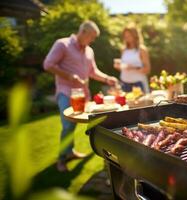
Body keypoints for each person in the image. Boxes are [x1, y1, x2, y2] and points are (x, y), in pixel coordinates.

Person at [43, 20, 118, 172]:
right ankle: (62, 159)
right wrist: (69, 76)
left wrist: (106, 78)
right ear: (83, 32)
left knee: (79, 125)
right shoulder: (62, 44)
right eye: (92, 37)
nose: (93, 40)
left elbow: (93, 72)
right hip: (66, 92)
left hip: (84, 95)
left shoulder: (89, 51)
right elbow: (48, 64)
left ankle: (70, 152)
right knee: (68, 125)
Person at [113, 24, 151, 93]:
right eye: (125, 36)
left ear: (135, 36)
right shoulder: (123, 49)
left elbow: (147, 70)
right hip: (124, 84)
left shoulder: (142, 50)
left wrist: (133, 68)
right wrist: (119, 66)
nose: (126, 38)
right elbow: (123, 68)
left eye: (129, 35)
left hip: (138, 84)